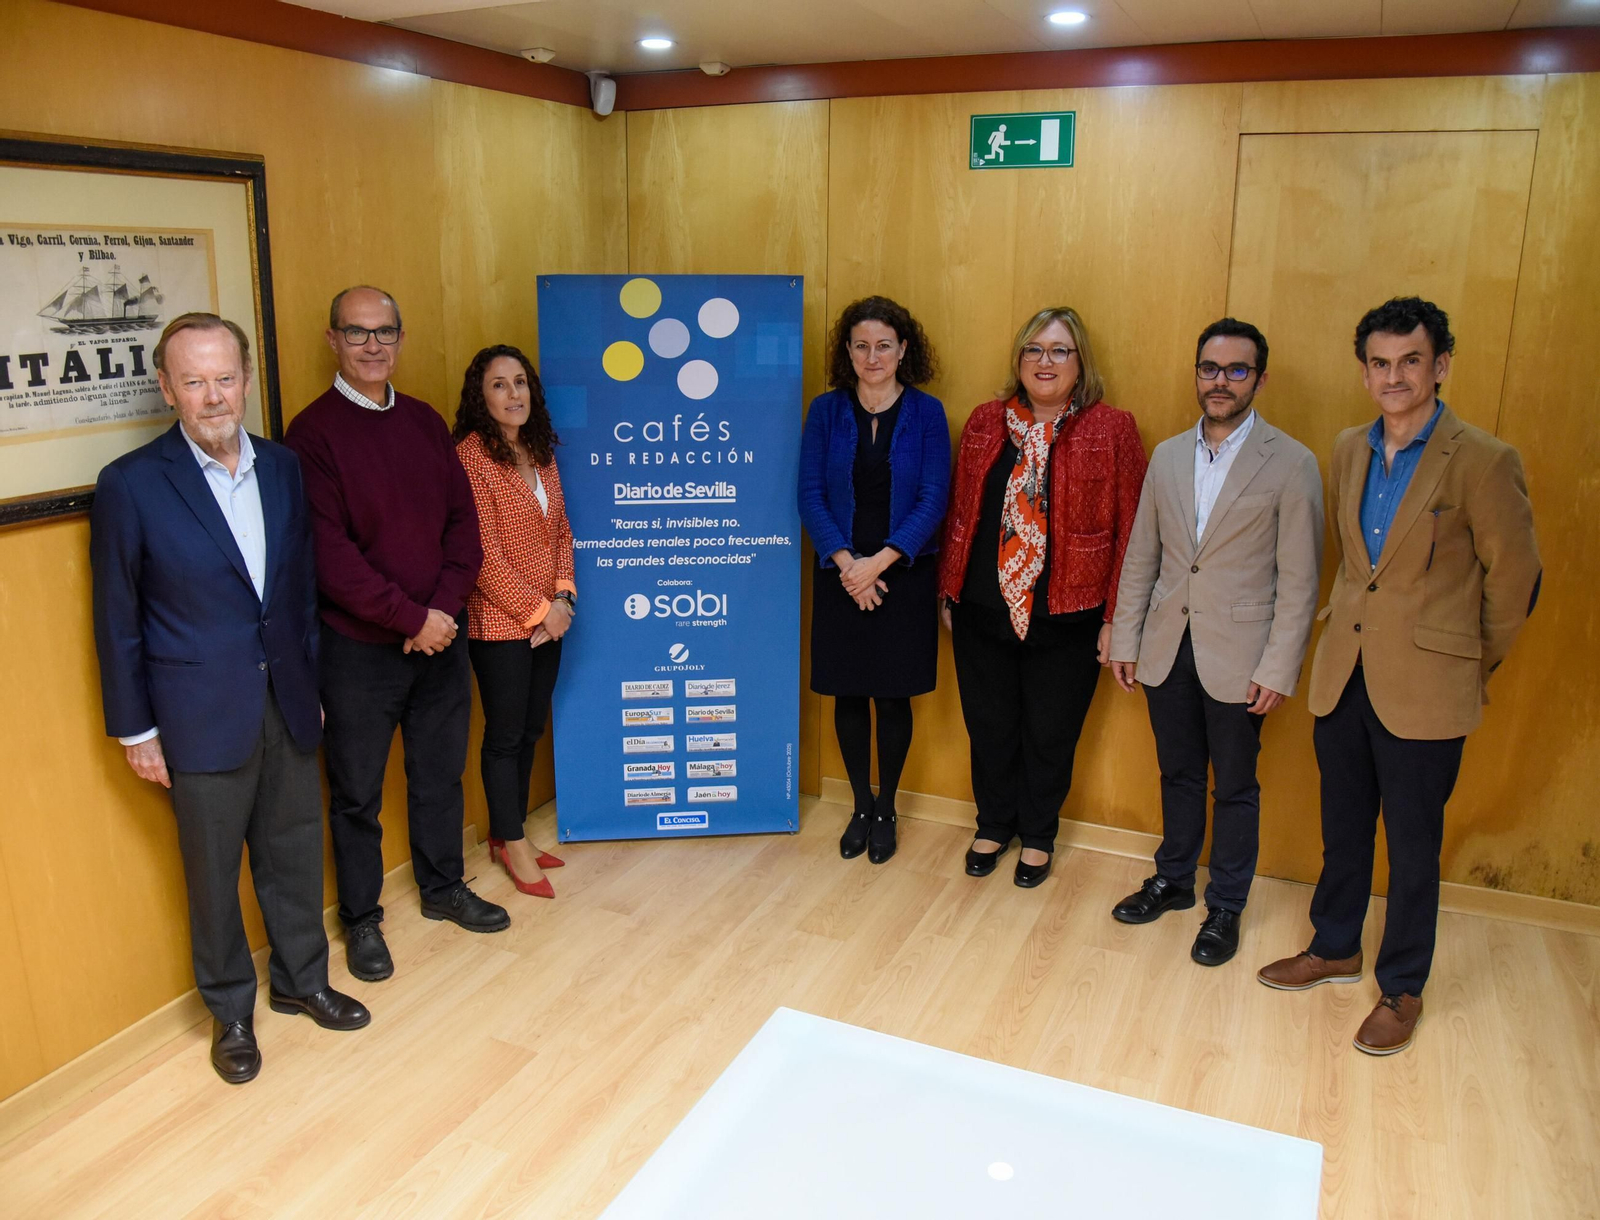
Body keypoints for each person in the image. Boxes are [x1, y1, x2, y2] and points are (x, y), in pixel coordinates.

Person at [90, 313, 369, 1085]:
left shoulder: (281, 468)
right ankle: (231, 1014)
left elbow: (299, 595)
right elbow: (116, 620)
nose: (213, 396)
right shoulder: (133, 484)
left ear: (245, 379)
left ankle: (302, 981)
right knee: (213, 874)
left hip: (286, 700)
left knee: (292, 852)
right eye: (194, 381)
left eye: (225, 378)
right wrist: (135, 730)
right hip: (195, 717)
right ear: (166, 387)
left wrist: (307, 687)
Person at [1258, 297, 1541, 1055]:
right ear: (1364, 372)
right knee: (1343, 829)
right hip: (1343, 675)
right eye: (1380, 363)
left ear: (1440, 365)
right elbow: (1358, 569)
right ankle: (1334, 947)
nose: (1395, 376)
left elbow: (1516, 580)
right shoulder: (1350, 447)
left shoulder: (1482, 459)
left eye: (1410, 361)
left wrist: (1468, 662)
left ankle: (1404, 986)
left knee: (1414, 847)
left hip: (1428, 689)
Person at [285, 286, 508, 984]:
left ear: (400, 339)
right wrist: (411, 619)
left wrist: (439, 615)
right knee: (355, 793)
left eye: (385, 332)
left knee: (440, 773)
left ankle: (443, 888)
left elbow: (460, 528)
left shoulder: (422, 422)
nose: (373, 346)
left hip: (440, 638)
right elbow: (329, 555)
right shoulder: (311, 434)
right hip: (359, 651)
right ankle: (361, 919)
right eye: (358, 333)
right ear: (333, 341)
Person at [1108, 318, 1323, 965]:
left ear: (1259, 376)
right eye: (1210, 368)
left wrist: (1280, 666)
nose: (1220, 381)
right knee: (1176, 771)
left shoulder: (1292, 462)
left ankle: (1225, 904)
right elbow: (1143, 554)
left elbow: (1301, 578)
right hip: (1166, 645)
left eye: (1236, 370)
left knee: (1234, 784)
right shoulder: (1169, 455)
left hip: (1242, 655)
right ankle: (1173, 879)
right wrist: (1125, 636)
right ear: (1197, 372)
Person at [937, 307, 1146, 887]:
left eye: (1059, 350)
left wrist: (1115, 619)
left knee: (1051, 731)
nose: (1045, 362)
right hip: (982, 605)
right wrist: (949, 590)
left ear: (1081, 362)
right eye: (1034, 350)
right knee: (989, 723)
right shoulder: (985, 421)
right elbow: (961, 510)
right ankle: (994, 823)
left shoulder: (1112, 428)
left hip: (1069, 611)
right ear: (1018, 360)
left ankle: (1039, 833)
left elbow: (1133, 528)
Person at [799, 296, 950, 865]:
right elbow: (809, 494)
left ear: (903, 349)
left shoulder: (927, 413)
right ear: (848, 351)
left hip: (900, 577)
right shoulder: (826, 410)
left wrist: (877, 564)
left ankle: (886, 808)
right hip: (840, 576)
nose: (872, 355)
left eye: (883, 344)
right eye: (861, 345)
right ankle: (860, 805)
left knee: (891, 697)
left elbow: (935, 497)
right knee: (847, 691)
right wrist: (847, 566)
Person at [453, 345, 574, 898]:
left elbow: (562, 530)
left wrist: (564, 600)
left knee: (529, 729)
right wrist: (536, 611)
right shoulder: (471, 456)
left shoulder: (540, 450)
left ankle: (511, 834)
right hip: (500, 624)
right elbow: (480, 553)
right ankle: (511, 841)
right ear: (481, 397)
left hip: (552, 619)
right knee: (503, 737)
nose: (514, 394)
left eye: (520, 382)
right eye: (499, 385)